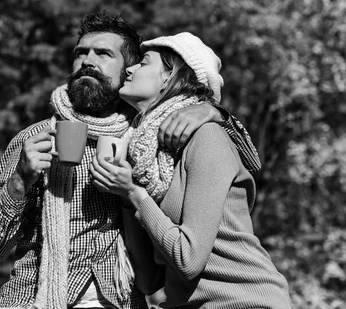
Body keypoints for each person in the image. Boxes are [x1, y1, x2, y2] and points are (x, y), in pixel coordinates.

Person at [0, 12, 262, 309]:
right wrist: (20, 181)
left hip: (120, 301)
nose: (88, 60)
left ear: (129, 69)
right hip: (33, 300)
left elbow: (243, 163)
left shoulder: (147, 138)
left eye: (103, 54)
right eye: (81, 53)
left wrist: (214, 112)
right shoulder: (34, 140)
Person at [90, 32, 292, 308]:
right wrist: (126, 198)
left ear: (171, 77)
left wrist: (134, 193)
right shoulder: (148, 156)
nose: (130, 68)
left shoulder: (205, 136)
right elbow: (149, 282)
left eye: (144, 62)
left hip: (245, 300)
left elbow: (188, 260)